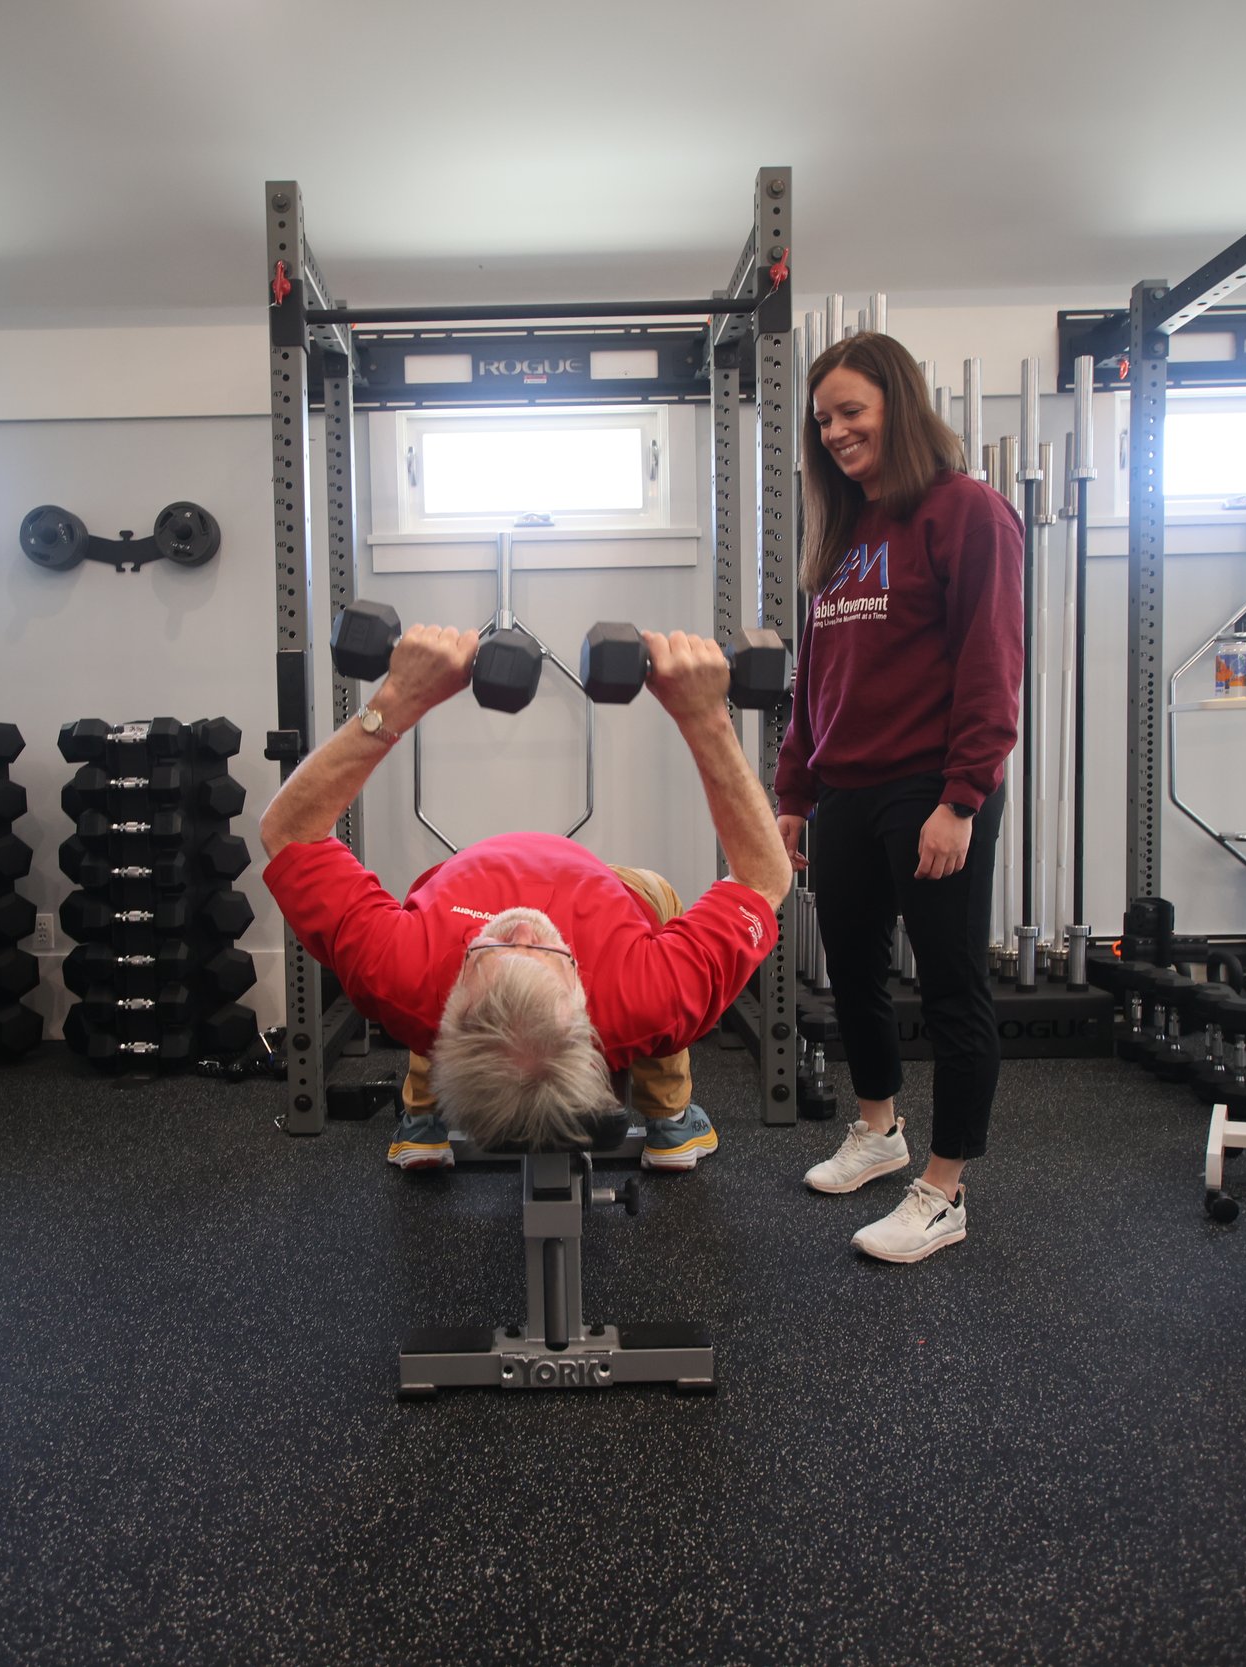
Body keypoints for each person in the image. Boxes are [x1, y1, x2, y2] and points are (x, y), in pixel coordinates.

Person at [259, 625, 791, 1166]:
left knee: (413, 998)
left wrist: (399, 699)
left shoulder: (400, 975)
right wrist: (705, 717)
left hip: (458, 881)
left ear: (454, 1008)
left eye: (484, 958)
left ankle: (422, 1115)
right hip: (604, 885)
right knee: (664, 917)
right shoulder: (648, 995)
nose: (523, 927)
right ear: (586, 1021)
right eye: (542, 955)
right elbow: (765, 878)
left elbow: (287, 833)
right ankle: (671, 1121)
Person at [778, 331, 1024, 1265]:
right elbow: (816, 685)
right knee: (852, 971)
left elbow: (992, 662)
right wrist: (794, 794)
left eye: (853, 412)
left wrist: (962, 799)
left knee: (954, 986)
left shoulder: (966, 512)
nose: (837, 432)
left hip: (931, 788)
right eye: (825, 420)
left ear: (900, 406)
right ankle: (877, 1129)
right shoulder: (842, 537)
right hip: (844, 789)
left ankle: (945, 1187)